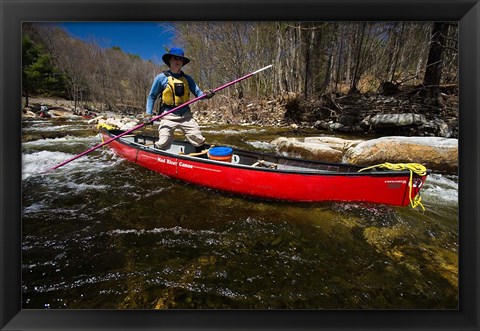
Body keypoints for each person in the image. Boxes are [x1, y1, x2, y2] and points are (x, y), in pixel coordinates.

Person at [145, 47, 214, 152]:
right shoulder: (160, 78)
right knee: (164, 141)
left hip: (185, 115)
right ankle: (156, 155)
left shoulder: (187, 79)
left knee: (198, 139)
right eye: (175, 58)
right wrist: (148, 114)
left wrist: (207, 95)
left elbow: (199, 94)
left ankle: (202, 158)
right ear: (170, 60)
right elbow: (151, 97)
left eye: (180, 59)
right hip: (168, 115)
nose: (178, 61)